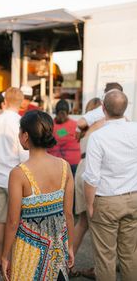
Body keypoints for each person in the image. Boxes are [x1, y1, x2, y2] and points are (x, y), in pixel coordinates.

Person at [2, 110, 74, 281]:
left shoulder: (19, 173)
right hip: (58, 249)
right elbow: (69, 214)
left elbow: (12, 221)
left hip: (29, 255)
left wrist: (5, 256)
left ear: (25, 136)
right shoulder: (65, 167)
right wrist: (70, 246)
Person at [83, 90, 137, 281]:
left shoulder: (98, 137)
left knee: (106, 257)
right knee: (130, 254)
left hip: (106, 200)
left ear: (103, 109)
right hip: (133, 198)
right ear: (126, 108)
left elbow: (91, 177)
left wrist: (89, 205)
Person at [0, 87, 29, 273]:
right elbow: (24, 155)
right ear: (21, 102)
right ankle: (11, 259)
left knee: (1, 221)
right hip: (17, 179)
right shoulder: (21, 122)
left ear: (5, 101)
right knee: (17, 221)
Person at [70, 97, 104, 279]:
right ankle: (101, 267)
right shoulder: (101, 125)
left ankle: (68, 263)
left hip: (81, 168)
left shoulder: (83, 130)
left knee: (82, 222)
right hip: (92, 170)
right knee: (98, 224)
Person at [48, 99, 81, 176]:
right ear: (68, 112)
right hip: (73, 163)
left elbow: (56, 136)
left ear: (55, 111)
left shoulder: (49, 125)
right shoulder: (75, 125)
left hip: (56, 163)